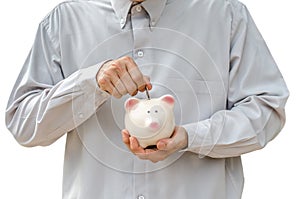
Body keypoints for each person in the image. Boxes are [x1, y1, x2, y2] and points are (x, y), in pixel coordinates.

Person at [5, 0, 289, 198]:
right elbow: (23, 123)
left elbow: (267, 109)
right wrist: (89, 84)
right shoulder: (64, 22)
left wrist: (192, 137)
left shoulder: (225, 16)